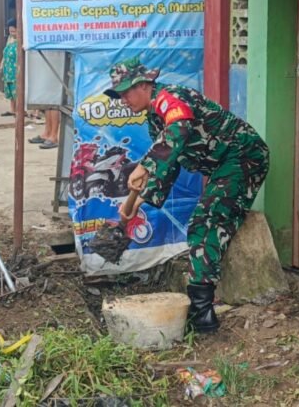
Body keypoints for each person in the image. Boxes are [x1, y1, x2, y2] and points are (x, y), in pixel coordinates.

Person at [106, 57, 270, 334]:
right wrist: (142, 200)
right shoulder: (154, 120)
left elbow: (178, 128)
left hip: (244, 157)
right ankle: (202, 308)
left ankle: (202, 313)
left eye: (126, 92)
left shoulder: (170, 98)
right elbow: (170, 161)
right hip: (223, 166)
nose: (123, 99)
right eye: (118, 95)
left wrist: (145, 165)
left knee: (206, 220)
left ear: (144, 84)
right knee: (206, 220)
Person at [0, 18, 18, 117]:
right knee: (10, 89)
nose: (12, 33)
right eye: (10, 31)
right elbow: (5, 52)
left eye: (14, 31)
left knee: (16, 89)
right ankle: (12, 109)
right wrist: (2, 64)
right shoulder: (10, 38)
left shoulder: (22, 40)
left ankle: (19, 110)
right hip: (8, 68)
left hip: (16, 68)